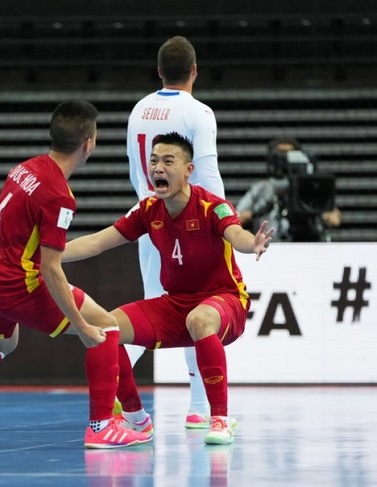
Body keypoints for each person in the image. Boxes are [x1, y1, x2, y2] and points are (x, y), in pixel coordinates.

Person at [0, 100, 152, 449]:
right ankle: (101, 427)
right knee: (106, 325)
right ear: (89, 144)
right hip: (17, 284)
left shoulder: (25, 168)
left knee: (1, 343)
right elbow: (52, 270)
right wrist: (82, 327)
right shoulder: (60, 196)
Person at [63, 132, 274, 444]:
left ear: (188, 170)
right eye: (153, 160)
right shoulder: (147, 209)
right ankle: (137, 419)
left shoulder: (212, 206)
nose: (158, 168)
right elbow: (96, 242)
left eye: (168, 161)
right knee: (104, 328)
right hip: (174, 305)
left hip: (225, 302)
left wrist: (251, 243)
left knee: (199, 320)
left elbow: (236, 234)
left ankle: (220, 420)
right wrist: (50, 254)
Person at [125, 35, 224, 429]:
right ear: (195, 71)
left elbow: (137, 170)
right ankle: (116, 379)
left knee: (159, 304)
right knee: (195, 306)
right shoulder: (199, 112)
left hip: (149, 216)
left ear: (160, 71)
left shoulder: (138, 110)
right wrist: (223, 220)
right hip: (191, 222)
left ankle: (199, 405)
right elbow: (208, 173)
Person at [237, 137, 341, 242]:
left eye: (290, 153)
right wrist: (254, 213)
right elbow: (238, 217)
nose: (285, 158)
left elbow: (335, 218)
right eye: (281, 153)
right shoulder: (261, 188)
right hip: (270, 246)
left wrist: (325, 214)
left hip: (308, 244)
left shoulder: (309, 185)